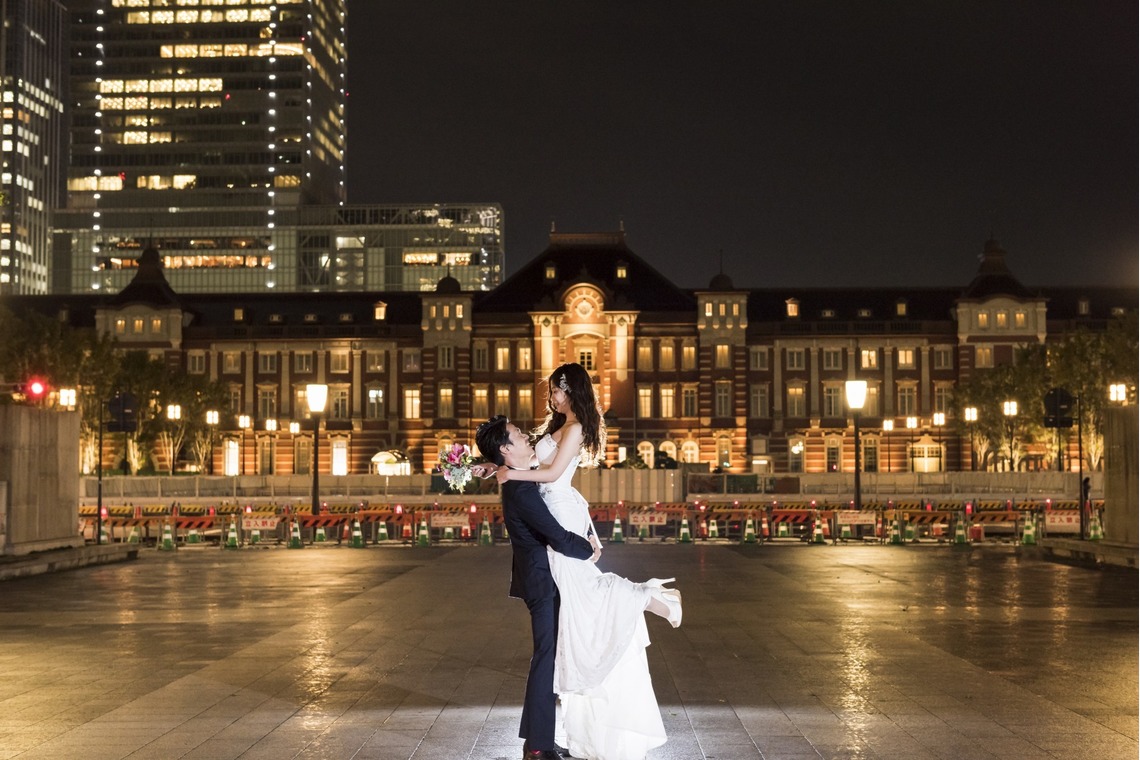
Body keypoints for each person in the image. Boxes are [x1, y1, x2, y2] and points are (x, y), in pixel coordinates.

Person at [484, 363, 681, 760]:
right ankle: (643, 600)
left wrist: (508, 473)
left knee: (585, 588)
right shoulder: (557, 427)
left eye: (555, 391)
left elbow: (553, 472)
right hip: (554, 510)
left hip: (558, 511)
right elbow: (535, 466)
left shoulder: (573, 430)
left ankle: (647, 598)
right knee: (579, 601)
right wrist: (498, 468)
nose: (550, 397)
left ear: (570, 389)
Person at [475, 415, 599, 760]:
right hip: (542, 582)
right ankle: (539, 746)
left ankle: (538, 740)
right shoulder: (521, 491)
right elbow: (556, 537)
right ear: (506, 448)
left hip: (539, 578)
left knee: (547, 657)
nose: (526, 436)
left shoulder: (519, 481)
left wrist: (483, 465)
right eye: (518, 434)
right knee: (546, 658)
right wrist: (589, 548)